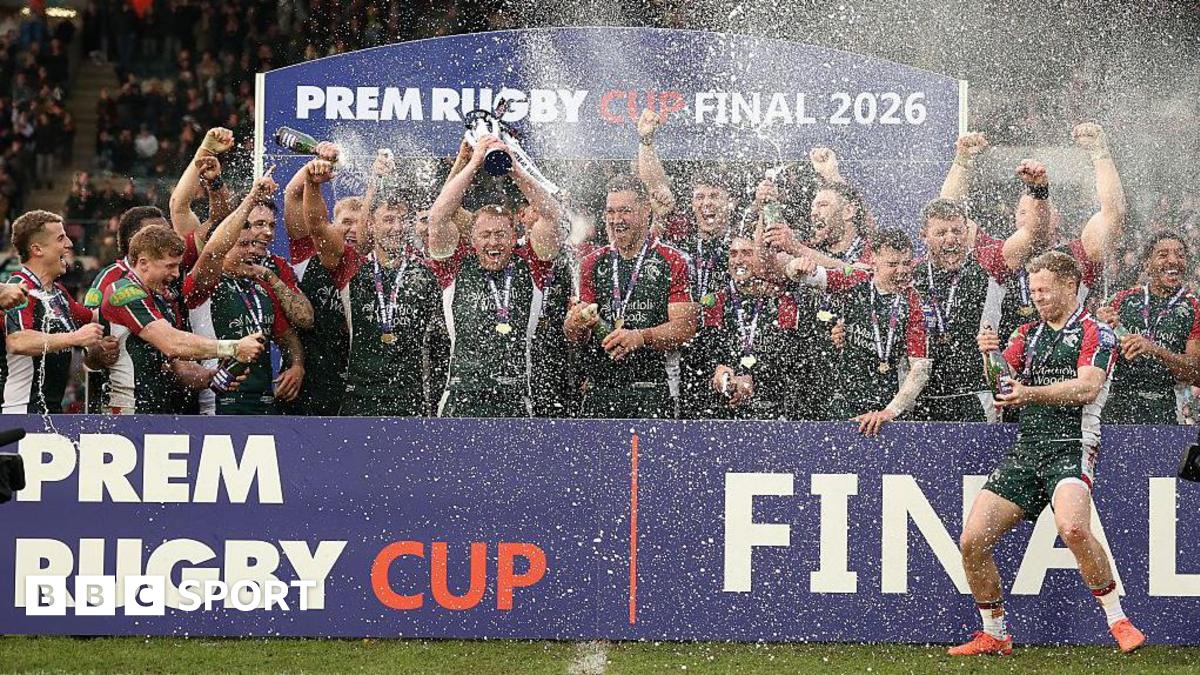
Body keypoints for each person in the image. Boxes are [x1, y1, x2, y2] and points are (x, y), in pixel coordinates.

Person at [960, 251, 1143, 655]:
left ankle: (1118, 619)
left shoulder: (1097, 332)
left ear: (1069, 286)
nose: (1037, 296)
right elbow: (1002, 387)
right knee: (972, 540)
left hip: (1072, 446)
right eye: (1033, 289)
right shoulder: (1026, 334)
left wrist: (1029, 393)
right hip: (1028, 450)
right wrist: (990, 355)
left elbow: (1087, 388)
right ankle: (995, 632)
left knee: (1074, 529)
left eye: (1044, 289)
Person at [944, 126, 1125, 341]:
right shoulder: (995, 254)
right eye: (1022, 212)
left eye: (1039, 207)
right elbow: (948, 215)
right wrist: (962, 161)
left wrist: (1100, 152)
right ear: (1014, 218)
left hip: (1069, 364)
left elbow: (1113, 212)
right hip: (1008, 365)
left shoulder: (1077, 256)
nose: (1029, 217)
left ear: (1055, 217)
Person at [426, 134, 562, 417]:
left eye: (501, 234)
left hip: (515, 398)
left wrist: (512, 166)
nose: (493, 243)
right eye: (485, 235)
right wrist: (474, 161)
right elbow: (438, 217)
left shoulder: (533, 264)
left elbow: (551, 216)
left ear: (515, 237)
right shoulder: (455, 264)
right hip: (460, 397)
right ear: (471, 239)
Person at [305, 158, 441, 416]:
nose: (397, 228)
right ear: (371, 225)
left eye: (402, 220)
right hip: (360, 397)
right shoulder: (352, 267)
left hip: (410, 399)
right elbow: (317, 227)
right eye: (388, 220)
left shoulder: (426, 272)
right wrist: (312, 185)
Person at [564, 174, 697, 419]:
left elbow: (686, 328)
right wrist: (576, 323)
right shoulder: (591, 263)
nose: (616, 220)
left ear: (646, 209)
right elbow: (575, 336)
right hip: (600, 390)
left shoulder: (673, 260)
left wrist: (641, 337)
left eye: (624, 211)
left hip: (653, 389)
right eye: (610, 212)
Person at [100, 225, 264, 413]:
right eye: (170, 266)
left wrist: (211, 377)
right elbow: (172, 343)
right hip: (127, 410)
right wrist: (233, 348)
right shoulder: (122, 292)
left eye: (178, 265)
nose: (177, 274)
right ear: (144, 263)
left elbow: (174, 365)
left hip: (158, 408)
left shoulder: (160, 298)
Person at [783, 227, 929, 436]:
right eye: (892, 264)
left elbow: (921, 368)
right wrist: (796, 266)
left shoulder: (913, 300)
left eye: (906, 263)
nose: (901, 271)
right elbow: (805, 276)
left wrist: (889, 411)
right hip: (847, 405)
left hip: (891, 412)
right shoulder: (856, 279)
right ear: (874, 260)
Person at [184, 175, 304, 415]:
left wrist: (297, 364)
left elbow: (285, 333)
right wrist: (251, 199)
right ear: (226, 245)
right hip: (219, 405)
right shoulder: (206, 283)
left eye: (253, 244)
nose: (253, 250)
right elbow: (212, 253)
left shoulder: (260, 283)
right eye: (243, 245)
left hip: (264, 405)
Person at [3, 210, 117, 413]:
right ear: (37, 249)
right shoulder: (19, 288)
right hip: (20, 412)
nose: (69, 244)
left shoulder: (59, 294)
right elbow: (17, 341)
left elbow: (96, 317)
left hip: (50, 411)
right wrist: (74, 338)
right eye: (60, 238)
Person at [702, 229, 808, 419]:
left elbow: (791, 359)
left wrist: (754, 379)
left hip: (771, 414)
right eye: (733, 254)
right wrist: (719, 371)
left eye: (746, 253)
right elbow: (706, 351)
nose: (738, 261)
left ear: (762, 258)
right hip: (722, 415)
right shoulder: (717, 301)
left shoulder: (783, 301)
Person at [1098, 233, 1200, 424]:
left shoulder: (1194, 308)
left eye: (1180, 255)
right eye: (1163, 255)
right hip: (1115, 409)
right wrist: (1101, 327)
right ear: (1147, 264)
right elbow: (1093, 353)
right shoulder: (1121, 300)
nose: (1173, 260)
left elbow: (1196, 373)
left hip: (1161, 411)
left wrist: (1154, 349)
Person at [82, 205, 170, 413]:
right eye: (156, 234)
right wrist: (97, 350)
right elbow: (87, 342)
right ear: (134, 242)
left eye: (167, 232)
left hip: (165, 396)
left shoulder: (169, 274)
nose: (165, 237)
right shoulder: (110, 279)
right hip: (125, 401)